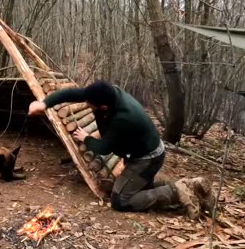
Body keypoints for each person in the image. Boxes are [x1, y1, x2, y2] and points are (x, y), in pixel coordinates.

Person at [28, 80, 214, 219]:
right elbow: (70, 94)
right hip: (142, 150)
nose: (85, 104)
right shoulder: (105, 93)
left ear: (103, 107)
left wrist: (87, 138)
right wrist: (44, 103)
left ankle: (177, 191)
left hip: (147, 158)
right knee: (140, 189)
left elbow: (104, 148)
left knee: (121, 201)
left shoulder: (123, 118)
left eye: (90, 105)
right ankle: (191, 185)